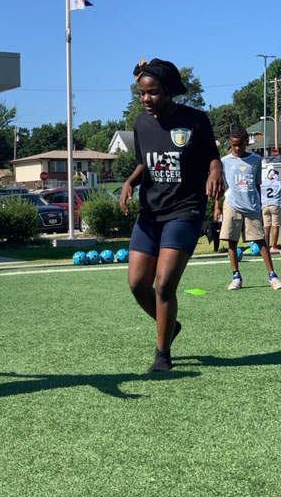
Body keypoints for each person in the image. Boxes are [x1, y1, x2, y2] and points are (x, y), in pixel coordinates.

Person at [120, 58, 224, 373]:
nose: (146, 99)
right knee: (138, 284)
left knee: (164, 284)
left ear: (168, 91)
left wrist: (216, 170)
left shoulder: (196, 120)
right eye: (142, 94)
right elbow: (145, 163)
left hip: (185, 210)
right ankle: (170, 325)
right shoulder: (140, 124)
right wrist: (129, 181)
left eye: (152, 92)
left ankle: (162, 355)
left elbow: (213, 158)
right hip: (150, 213)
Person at [214, 126, 281, 291]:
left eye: (240, 144)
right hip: (231, 204)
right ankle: (236, 276)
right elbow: (221, 187)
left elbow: (257, 185)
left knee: (260, 241)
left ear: (246, 142)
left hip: (251, 205)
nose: (237, 148)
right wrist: (217, 206)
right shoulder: (225, 161)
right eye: (234, 145)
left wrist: (259, 204)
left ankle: (272, 275)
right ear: (230, 143)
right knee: (232, 241)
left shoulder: (256, 159)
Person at [261, 165, 281, 252]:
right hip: (275, 205)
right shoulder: (278, 183)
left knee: (266, 227)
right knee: (275, 227)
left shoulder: (263, 183)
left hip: (265, 205)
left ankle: (266, 246)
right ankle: (274, 246)